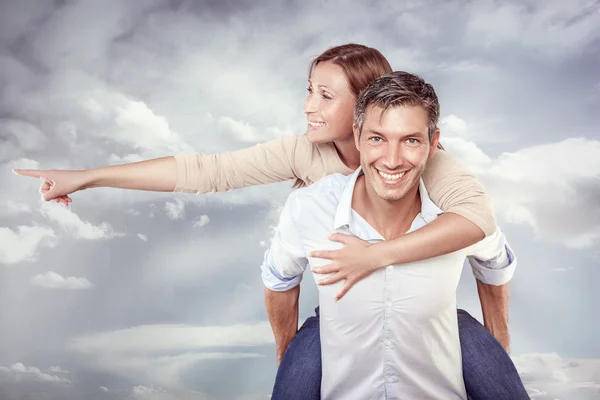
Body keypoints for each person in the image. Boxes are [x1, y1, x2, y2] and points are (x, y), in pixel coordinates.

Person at [12, 44, 528, 398]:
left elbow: (481, 226)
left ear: (369, 103)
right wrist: (87, 176)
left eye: (324, 95)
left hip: (431, 319)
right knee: (299, 366)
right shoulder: (305, 156)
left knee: (482, 357)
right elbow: (206, 171)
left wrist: (496, 328)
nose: (308, 107)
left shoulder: (430, 160)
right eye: (309, 90)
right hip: (339, 318)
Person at [262, 70, 522, 399]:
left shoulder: (455, 217)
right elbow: (279, 279)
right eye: (377, 138)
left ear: (433, 144)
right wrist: (289, 361)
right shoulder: (310, 209)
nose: (393, 160)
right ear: (356, 136)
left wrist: (498, 345)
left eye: (411, 140)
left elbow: (496, 262)